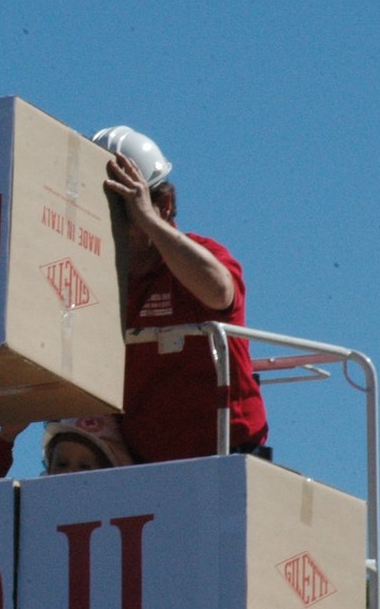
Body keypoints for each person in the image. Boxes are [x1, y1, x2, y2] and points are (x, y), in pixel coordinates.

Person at [93, 125, 269, 464]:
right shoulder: (95, 279)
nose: (112, 226)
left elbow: (219, 293)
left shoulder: (202, 255)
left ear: (165, 204)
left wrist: (147, 222)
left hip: (227, 458)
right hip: (145, 468)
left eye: (122, 211)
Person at [0, 415, 132, 479]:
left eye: (85, 466)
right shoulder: (38, 500)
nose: (70, 472)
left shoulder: (124, 510)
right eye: (62, 464)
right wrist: (5, 438)